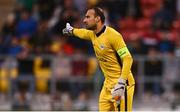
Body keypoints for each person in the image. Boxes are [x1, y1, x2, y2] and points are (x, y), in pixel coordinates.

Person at [62, 7, 135, 111]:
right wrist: (71, 31)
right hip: (107, 84)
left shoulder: (113, 35)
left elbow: (128, 58)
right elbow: (82, 33)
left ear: (97, 19)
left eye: (88, 17)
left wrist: (121, 82)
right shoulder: (92, 35)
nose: (84, 20)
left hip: (122, 84)